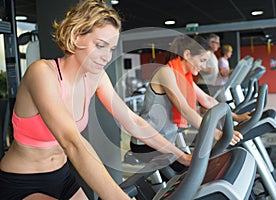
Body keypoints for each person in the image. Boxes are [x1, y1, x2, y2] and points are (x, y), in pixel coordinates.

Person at [0, 1, 192, 199]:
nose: (106, 56)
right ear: (76, 37)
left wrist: (180, 156)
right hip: (23, 181)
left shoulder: (96, 77)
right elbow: (71, 141)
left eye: (111, 49)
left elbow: (132, 122)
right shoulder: (42, 73)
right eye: (100, 45)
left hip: (63, 176)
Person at [130, 35, 251, 173]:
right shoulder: (166, 73)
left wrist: (237, 117)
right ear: (187, 54)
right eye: (202, 60)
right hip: (146, 144)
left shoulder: (184, 77)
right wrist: (216, 133)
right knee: (192, 172)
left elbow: (207, 100)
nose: (203, 66)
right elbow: (185, 110)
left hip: (165, 141)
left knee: (196, 170)